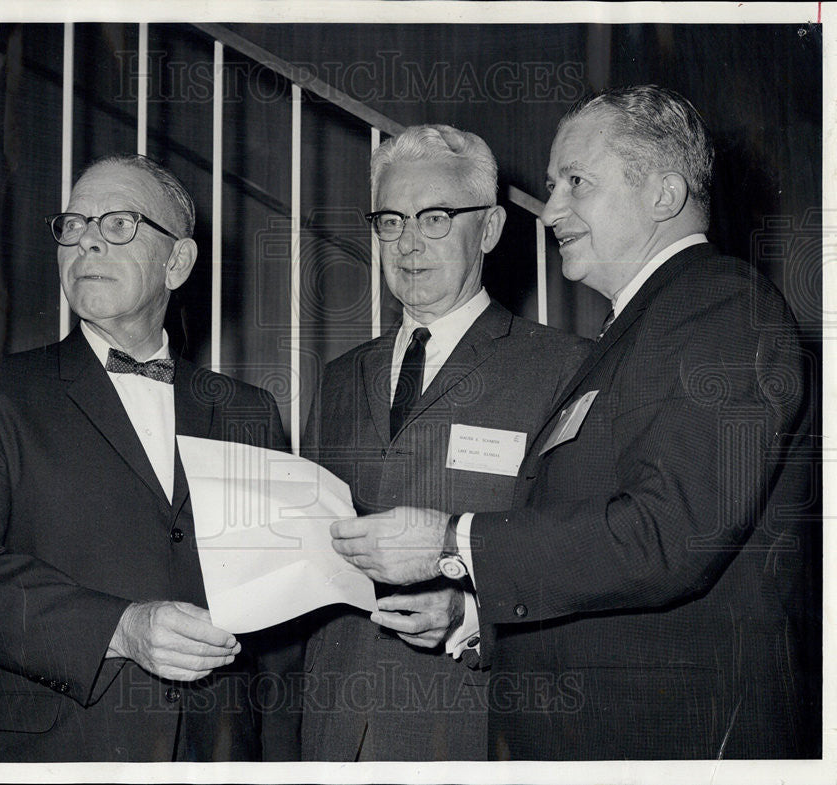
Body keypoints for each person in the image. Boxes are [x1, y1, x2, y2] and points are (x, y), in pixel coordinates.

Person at [329, 86, 819, 759]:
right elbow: (593, 555)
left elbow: (667, 537)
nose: (552, 207)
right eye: (555, 184)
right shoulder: (638, 329)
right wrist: (466, 613)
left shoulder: (720, 306)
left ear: (663, 195)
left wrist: (450, 538)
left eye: (576, 183)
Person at [0, 154, 300, 762]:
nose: (86, 239)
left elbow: (277, 616)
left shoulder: (248, 410)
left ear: (178, 262)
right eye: (72, 225)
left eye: (117, 224)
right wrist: (120, 628)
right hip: (48, 753)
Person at [300, 125, 588, 761]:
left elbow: (589, 559)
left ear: (487, 229)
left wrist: (469, 613)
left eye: (434, 219)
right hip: (333, 734)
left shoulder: (565, 370)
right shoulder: (341, 377)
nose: (406, 244)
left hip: (473, 729)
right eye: (390, 221)